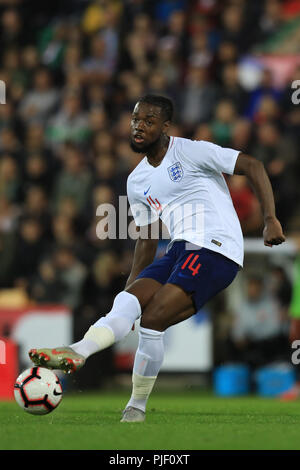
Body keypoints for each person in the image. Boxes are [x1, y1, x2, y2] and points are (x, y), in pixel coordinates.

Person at [29, 94, 285, 422]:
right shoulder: (136, 181)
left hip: (215, 247)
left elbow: (252, 165)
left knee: (152, 319)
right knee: (128, 301)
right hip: (179, 248)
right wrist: (131, 289)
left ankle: (135, 407)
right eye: (136, 119)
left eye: (149, 121)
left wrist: (269, 218)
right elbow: (147, 238)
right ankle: (79, 351)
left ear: (165, 127)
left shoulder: (191, 150)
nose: (139, 126)